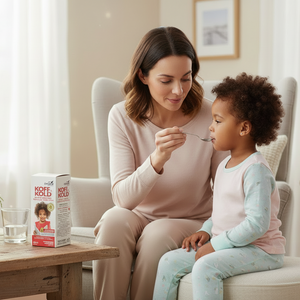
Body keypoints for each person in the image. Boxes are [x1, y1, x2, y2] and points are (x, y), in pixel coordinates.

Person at [93, 26, 228, 300]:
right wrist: (157, 160)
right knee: (113, 221)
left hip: (193, 219)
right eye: (166, 80)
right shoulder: (122, 116)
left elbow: (229, 185)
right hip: (137, 213)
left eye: (186, 78)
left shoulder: (211, 115)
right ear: (143, 75)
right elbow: (122, 199)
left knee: (157, 234)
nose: (179, 90)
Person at [152, 73, 286, 300]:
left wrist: (216, 245)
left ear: (243, 129)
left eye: (218, 120)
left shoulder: (256, 170)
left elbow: (256, 225)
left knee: (206, 266)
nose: (210, 127)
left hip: (261, 250)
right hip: (230, 244)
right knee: (168, 261)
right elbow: (224, 211)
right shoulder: (224, 165)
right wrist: (206, 230)